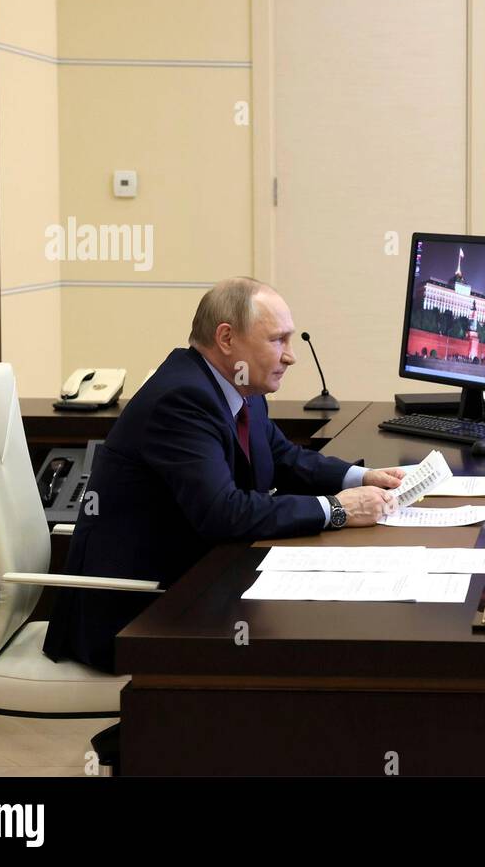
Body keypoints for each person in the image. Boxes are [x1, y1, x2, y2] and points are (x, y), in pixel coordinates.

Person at [43, 277, 407, 672]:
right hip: (140, 612)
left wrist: (362, 477)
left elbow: (283, 456)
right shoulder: (182, 400)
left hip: (195, 578)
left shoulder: (238, 389)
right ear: (226, 338)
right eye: (277, 340)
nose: (290, 356)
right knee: (292, 645)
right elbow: (223, 512)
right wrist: (336, 510)